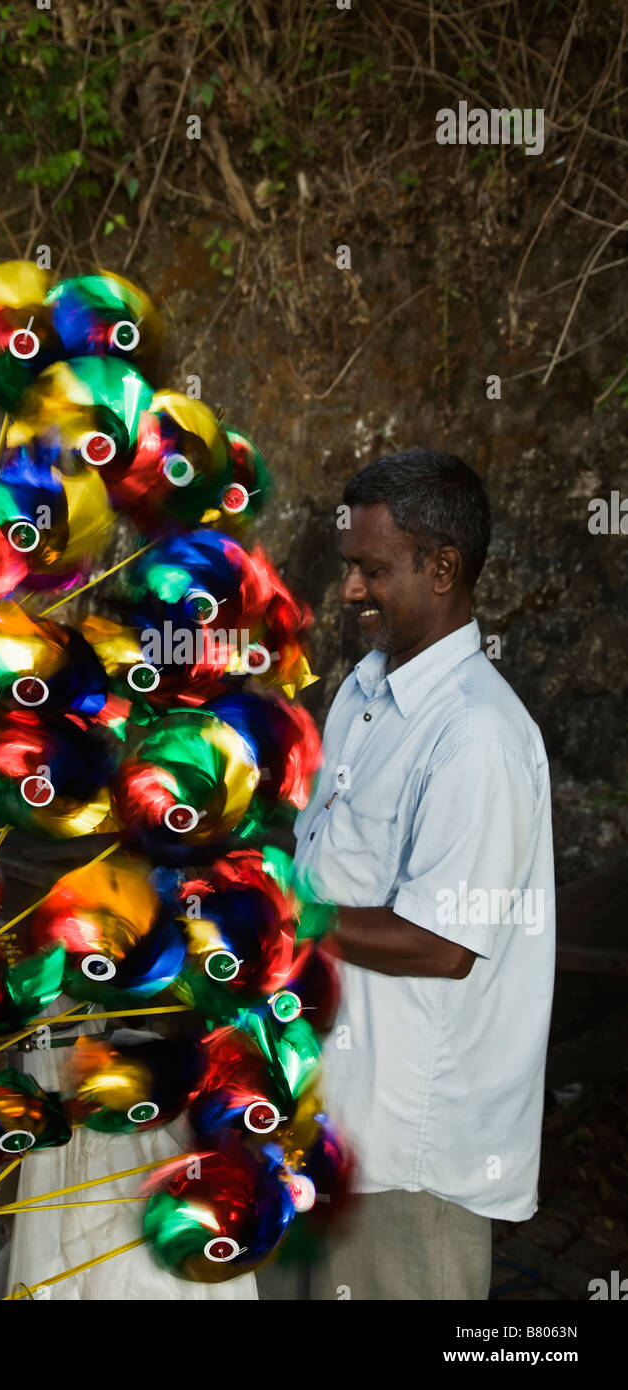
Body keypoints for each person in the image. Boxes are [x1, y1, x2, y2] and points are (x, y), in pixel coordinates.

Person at [263, 448, 555, 1301]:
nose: (348, 591)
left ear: (442, 567)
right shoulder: (363, 689)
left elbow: (441, 943)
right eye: (350, 567)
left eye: (369, 570)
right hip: (319, 1119)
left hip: (406, 1159)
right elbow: (331, 863)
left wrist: (281, 917)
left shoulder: (478, 738)